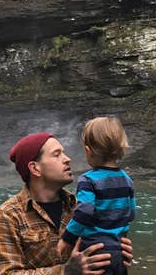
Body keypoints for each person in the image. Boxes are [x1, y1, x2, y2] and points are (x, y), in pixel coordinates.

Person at [0, 132, 133, 275]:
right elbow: (7, 273)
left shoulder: (82, 206)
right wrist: (65, 271)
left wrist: (116, 252)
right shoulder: (8, 215)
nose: (68, 159)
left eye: (64, 153)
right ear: (35, 168)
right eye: (57, 154)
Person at [56, 117, 135, 275]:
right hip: (120, 250)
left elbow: (84, 211)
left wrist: (67, 239)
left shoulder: (88, 179)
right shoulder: (127, 179)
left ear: (88, 150)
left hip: (95, 250)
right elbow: (131, 213)